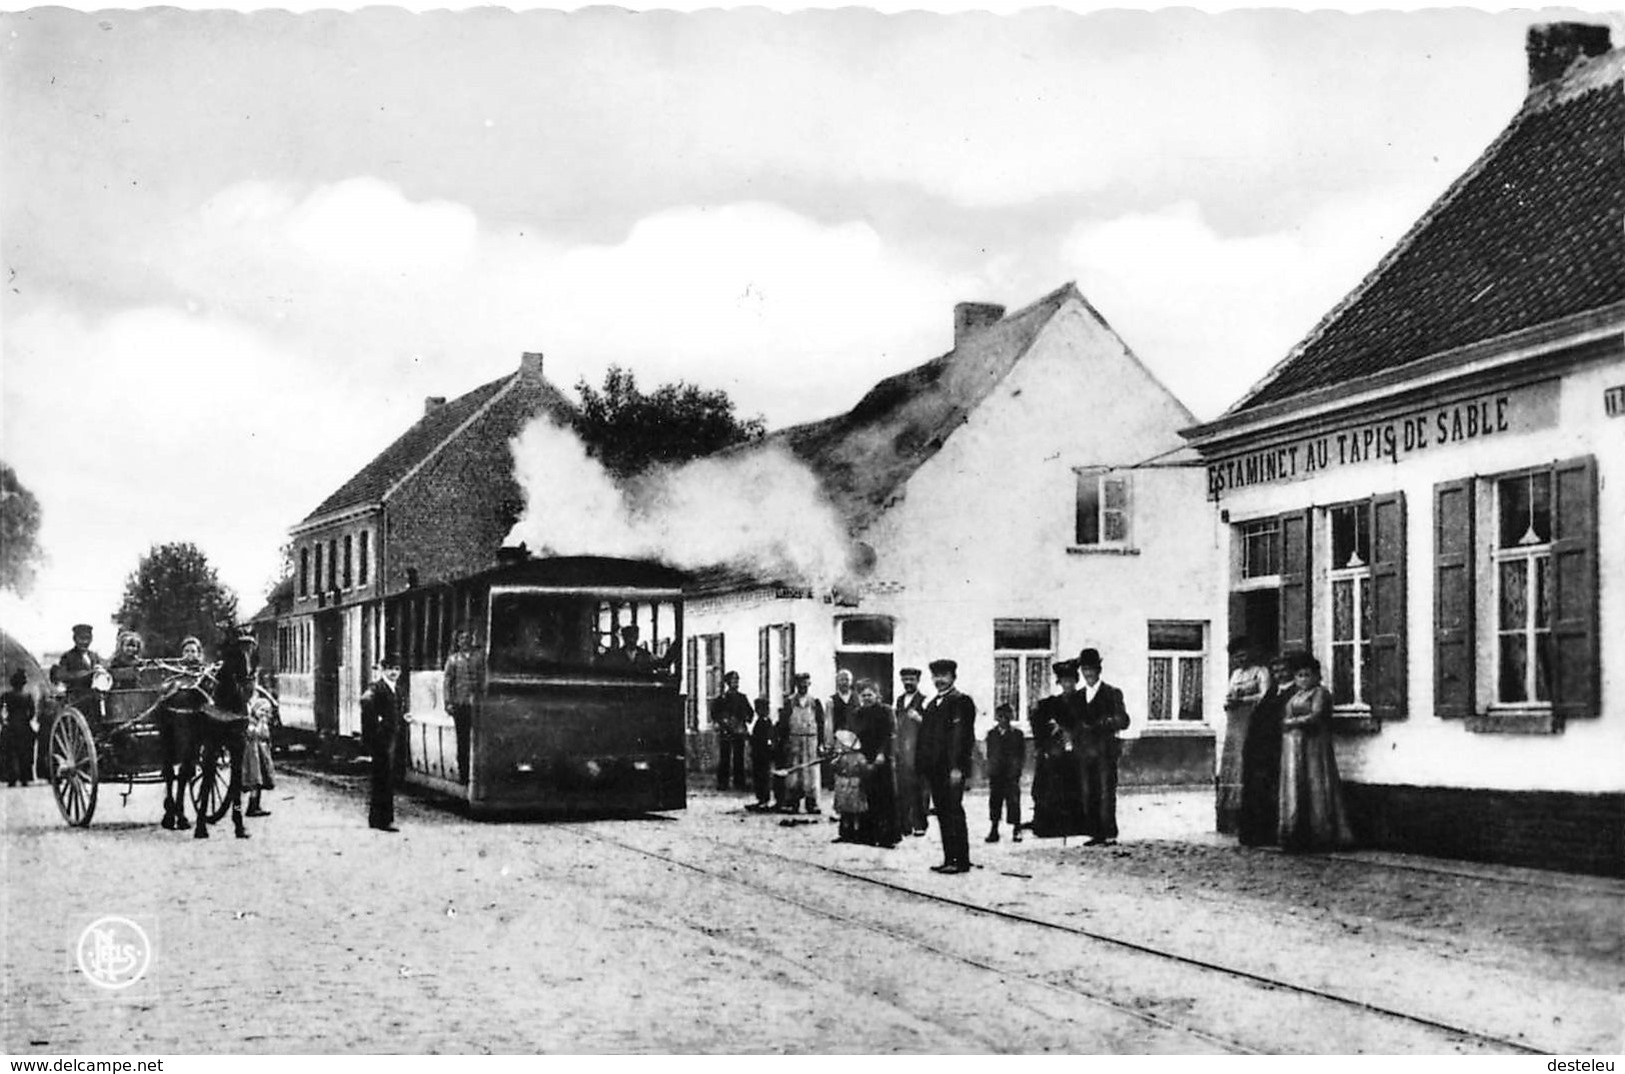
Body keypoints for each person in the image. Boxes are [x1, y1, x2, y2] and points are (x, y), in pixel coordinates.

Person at [1278, 654, 1355, 853]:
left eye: (1307, 675)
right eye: (1299, 676)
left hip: (1314, 744)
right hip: (1294, 745)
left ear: (1316, 676)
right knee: (1296, 785)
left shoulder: (1320, 693)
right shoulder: (1295, 696)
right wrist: (1289, 723)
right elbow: (1286, 715)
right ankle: (1296, 831)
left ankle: (1321, 832)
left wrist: (1292, 723)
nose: (1303, 679)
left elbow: (1316, 715)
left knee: (1316, 782)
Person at [916, 658, 975, 874]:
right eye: (936, 676)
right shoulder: (932, 705)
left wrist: (957, 768)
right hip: (935, 770)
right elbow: (925, 739)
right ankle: (950, 858)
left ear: (953, 677)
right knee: (942, 812)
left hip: (951, 769)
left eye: (944, 676)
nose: (939, 680)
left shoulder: (961, 702)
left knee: (953, 811)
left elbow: (961, 739)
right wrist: (922, 767)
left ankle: (961, 860)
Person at [1075, 648, 1130, 846]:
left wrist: (1104, 723)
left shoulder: (1112, 693)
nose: (1088, 673)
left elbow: (1123, 720)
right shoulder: (1078, 696)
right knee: (1088, 791)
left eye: (1091, 669)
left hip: (1105, 751)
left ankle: (1109, 832)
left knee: (1106, 791)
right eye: (1084, 669)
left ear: (1099, 670)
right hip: (1085, 752)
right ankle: (1095, 832)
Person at [1238, 653, 1294, 847]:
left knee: (1272, 789)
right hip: (1261, 747)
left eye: (1284, 670)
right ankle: (1255, 833)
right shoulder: (1272, 691)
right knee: (1257, 788)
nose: (1280, 674)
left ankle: (1270, 832)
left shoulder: (1294, 692)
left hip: (1279, 746)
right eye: (1276, 671)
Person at [1218, 638, 1273, 834]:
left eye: (1243, 655)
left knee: (1245, 759)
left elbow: (1264, 696)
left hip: (1251, 719)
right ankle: (1230, 814)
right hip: (1235, 721)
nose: (1241, 660)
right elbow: (1229, 694)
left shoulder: (1261, 672)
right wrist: (1230, 702)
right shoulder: (1236, 674)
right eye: (1237, 657)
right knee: (1232, 762)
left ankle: (1247, 812)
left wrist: (1242, 700)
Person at [1029, 660, 1086, 839]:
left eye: (1070, 681)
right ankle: (1048, 826)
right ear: (1059, 683)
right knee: (1049, 787)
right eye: (1063, 681)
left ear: (1076, 681)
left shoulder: (1083, 701)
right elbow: (1038, 717)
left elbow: (1087, 724)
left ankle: (1076, 825)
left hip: (1077, 754)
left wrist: (1072, 732)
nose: (1067, 685)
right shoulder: (1052, 703)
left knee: (1074, 788)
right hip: (1056, 754)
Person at [850, 679, 899, 848]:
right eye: (863, 695)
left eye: (870, 695)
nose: (867, 698)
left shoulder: (886, 711)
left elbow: (891, 734)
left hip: (883, 758)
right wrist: (860, 755)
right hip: (865, 757)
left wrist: (882, 754)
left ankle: (888, 837)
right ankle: (868, 835)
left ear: (877, 695)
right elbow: (854, 737)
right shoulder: (858, 713)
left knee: (886, 797)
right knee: (868, 796)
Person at [361, 655, 406, 832]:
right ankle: (384, 820)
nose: (394, 672)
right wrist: (377, 728)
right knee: (384, 779)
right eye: (390, 669)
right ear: (382, 669)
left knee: (384, 778)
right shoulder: (378, 687)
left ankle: (377, 819)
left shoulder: (396, 689)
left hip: (391, 738)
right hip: (382, 740)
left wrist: (402, 718)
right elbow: (366, 702)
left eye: (397, 669)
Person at [777, 672, 824, 814]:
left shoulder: (815, 702)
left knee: (811, 772)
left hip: (811, 740)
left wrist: (821, 743)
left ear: (809, 684)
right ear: (796, 685)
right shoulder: (789, 702)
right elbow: (783, 724)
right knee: (795, 772)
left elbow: (821, 724)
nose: (803, 687)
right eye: (800, 684)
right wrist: (784, 742)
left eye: (806, 684)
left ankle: (812, 803)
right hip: (794, 740)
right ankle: (793, 802)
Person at [442, 629, 481, 784]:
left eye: (468, 638)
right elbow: (447, 683)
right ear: (458, 642)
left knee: (477, 741)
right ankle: (464, 775)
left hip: (477, 705)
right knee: (462, 740)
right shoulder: (453, 660)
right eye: (462, 639)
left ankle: (476, 774)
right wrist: (448, 702)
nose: (465, 641)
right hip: (460, 704)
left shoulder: (478, 659)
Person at [893, 667, 928, 837]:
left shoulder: (924, 701)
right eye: (905, 679)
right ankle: (904, 823)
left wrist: (919, 719)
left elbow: (931, 727)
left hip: (917, 751)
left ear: (917, 681)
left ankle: (919, 824)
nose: (908, 683)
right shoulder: (899, 700)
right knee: (902, 787)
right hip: (902, 749)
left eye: (911, 679)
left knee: (918, 788)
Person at [985, 702, 1025, 843]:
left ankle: (1016, 829)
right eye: (1000, 716)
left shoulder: (1017, 734)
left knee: (1013, 801)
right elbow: (990, 754)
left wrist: (1017, 771)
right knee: (995, 801)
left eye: (1007, 717)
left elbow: (1021, 755)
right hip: (996, 773)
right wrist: (990, 769)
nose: (1003, 720)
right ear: (996, 717)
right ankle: (994, 829)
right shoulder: (991, 734)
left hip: (1011, 773)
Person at [710, 671, 752, 792]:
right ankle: (723, 783)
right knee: (725, 757)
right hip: (726, 731)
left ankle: (739, 783)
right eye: (733, 680)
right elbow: (714, 713)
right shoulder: (722, 699)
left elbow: (750, 712)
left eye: (737, 680)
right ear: (728, 682)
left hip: (738, 730)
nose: (735, 682)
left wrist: (745, 718)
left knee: (739, 757)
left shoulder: (742, 698)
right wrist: (722, 721)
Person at [828, 727, 867, 842]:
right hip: (843, 784)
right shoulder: (841, 757)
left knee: (855, 812)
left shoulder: (859, 757)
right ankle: (845, 833)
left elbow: (864, 769)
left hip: (854, 784)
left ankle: (856, 833)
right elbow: (834, 767)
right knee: (845, 812)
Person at [242, 691, 276, 817]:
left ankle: (256, 805)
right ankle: (251, 807)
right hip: (253, 755)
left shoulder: (263, 724)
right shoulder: (252, 723)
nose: (264, 714)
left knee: (261, 780)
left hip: (262, 754)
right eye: (262, 711)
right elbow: (252, 734)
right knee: (255, 781)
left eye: (267, 712)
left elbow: (266, 737)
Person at [3, 670, 36, 787]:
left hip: (10, 726)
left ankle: (11, 779)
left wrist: (3, 721)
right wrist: (26, 719)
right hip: (24, 726)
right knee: (25, 754)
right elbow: (32, 712)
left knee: (10, 754)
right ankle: (24, 778)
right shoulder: (27, 696)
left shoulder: (7, 695)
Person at [824, 668, 856, 794]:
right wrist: (829, 743)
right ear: (837, 682)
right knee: (839, 771)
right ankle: (839, 807)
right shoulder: (831, 701)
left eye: (847, 680)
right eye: (841, 680)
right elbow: (828, 723)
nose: (844, 683)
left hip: (854, 740)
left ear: (851, 682)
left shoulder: (857, 699)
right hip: (839, 741)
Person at [746, 697, 776, 812]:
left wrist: (750, 738)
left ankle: (764, 800)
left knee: (762, 778)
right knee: (759, 777)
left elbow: (763, 739)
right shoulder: (762, 721)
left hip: (762, 755)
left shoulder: (764, 722)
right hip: (759, 754)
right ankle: (761, 800)